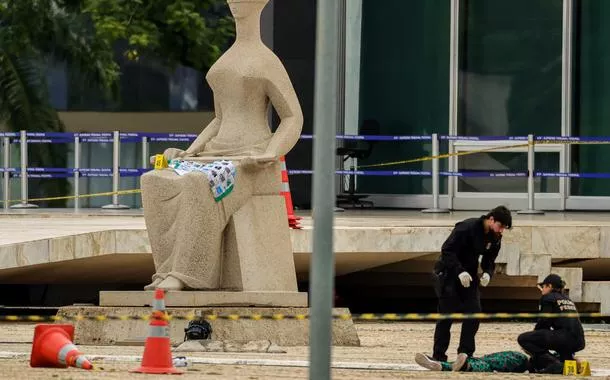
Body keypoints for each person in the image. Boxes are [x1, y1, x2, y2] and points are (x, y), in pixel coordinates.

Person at [428, 206, 512, 362]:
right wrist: (459, 271)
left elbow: (489, 259)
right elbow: (447, 250)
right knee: (446, 315)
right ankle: (438, 355)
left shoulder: (495, 237)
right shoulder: (466, 227)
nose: (501, 231)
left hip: (470, 275)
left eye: (504, 228)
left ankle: (465, 353)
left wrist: (487, 272)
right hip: (448, 273)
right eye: (500, 226)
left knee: (474, 313)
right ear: (491, 219)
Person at [517, 274, 586, 374]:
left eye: (543, 287)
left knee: (523, 338)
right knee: (561, 348)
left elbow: (544, 322)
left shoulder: (548, 298)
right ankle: (567, 362)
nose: (542, 290)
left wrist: (534, 338)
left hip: (564, 338)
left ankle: (552, 362)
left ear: (549, 286)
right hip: (579, 341)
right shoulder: (567, 299)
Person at [415, 351, 531, 373]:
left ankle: (441, 365)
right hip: (519, 362)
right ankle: (440, 366)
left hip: (518, 359)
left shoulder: (520, 357)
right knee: (485, 365)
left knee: (485, 363)